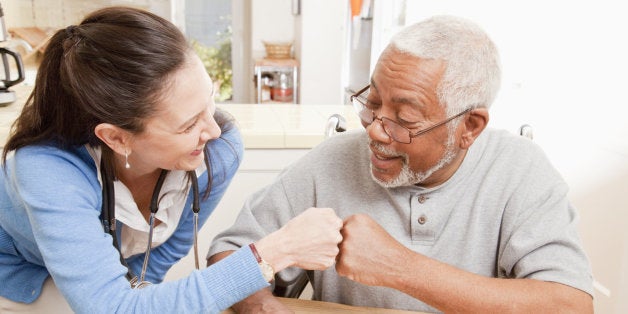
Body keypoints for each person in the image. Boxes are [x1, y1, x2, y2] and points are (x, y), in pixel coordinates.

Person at [208, 15, 594, 313]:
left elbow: (570, 305)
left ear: (469, 127)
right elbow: (232, 250)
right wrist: (258, 303)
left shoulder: (521, 172)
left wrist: (399, 267)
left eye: (405, 119)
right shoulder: (330, 161)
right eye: (372, 103)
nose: (375, 131)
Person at [0, 6, 343, 313]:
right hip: (20, 277)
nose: (212, 130)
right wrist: (273, 252)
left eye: (209, 101)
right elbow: (111, 308)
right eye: (189, 124)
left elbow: (162, 256)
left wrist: (145, 297)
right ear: (117, 138)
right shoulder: (46, 168)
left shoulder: (219, 149)